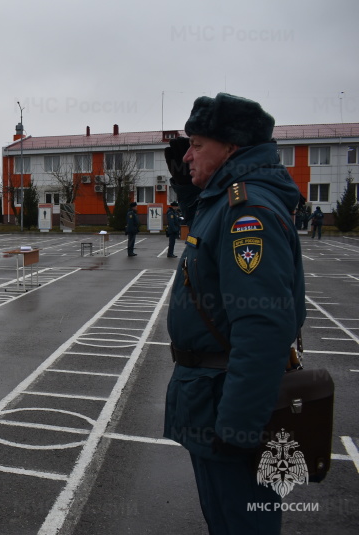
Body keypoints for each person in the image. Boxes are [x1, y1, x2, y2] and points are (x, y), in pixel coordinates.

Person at [162, 94, 305, 535]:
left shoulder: (249, 212)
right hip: (211, 398)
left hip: (227, 406)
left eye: (197, 145)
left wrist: (239, 426)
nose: (187, 155)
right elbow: (209, 237)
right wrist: (189, 186)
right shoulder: (230, 199)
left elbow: (263, 326)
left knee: (241, 523)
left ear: (231, 147)